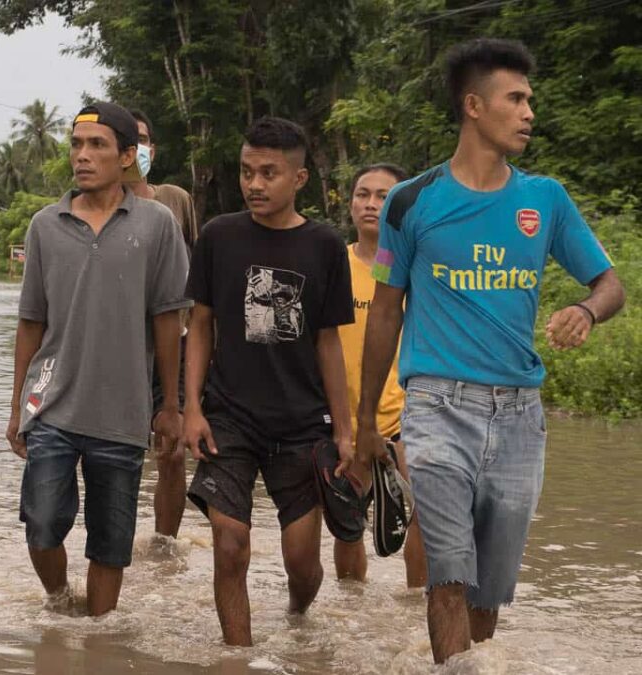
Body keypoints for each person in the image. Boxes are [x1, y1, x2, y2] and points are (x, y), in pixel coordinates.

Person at [356, 39, 625, 665]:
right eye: (518, 98)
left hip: (520, 416)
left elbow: (610, 285)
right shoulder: (411, 201)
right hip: (433, 406)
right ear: (474, 106)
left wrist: (586, 310)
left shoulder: (546, 199)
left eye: (530, 99)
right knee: (447, 575)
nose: (530, 112)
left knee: (487, 594)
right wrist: (367, 421)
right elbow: (387, 310)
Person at [7, 102, 190, 616]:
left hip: (123, 413)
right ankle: (61, 602)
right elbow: (30, 322)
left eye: (97, 146)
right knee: (41, 525)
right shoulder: (45, 225)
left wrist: (170, 406)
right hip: (51, 407)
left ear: (128, 156)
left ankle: (95, 642)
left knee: (110, 543)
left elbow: (168, 320)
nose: (82, 157)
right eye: (76, 145)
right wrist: (15, 405)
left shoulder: (157, 225)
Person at [182, 117, 354, 646]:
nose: (254, 184)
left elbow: (328, 343)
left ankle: (298, 617)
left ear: (299, 179)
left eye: (269, 173)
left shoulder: (325, 245)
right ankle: (238, 656)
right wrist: (191, 408)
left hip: (302, 424)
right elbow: (201, 325)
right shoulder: (218, 236)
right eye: (246, 171)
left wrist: (344, 431)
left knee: (303, 565)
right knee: (230, 544)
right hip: (229, 418)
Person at [333, 163, 428, 588]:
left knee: (426, 514)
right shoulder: (332, 265)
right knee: (347, 527)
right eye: (362, 194)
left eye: (383, 196)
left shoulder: (420, 270)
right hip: (342, 419)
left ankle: (415, 609)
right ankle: (353, 612)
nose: (370, 205)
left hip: (406, 417)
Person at [126, 108, 198, 541]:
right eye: (130, 139)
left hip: (178, 341)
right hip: (121, 346)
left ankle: (164, 545)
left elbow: (194, 272)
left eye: (145, 139)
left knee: (171, 450)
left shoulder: (175, 200)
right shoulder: (95, 207)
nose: (139, 148)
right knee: (116, 449)